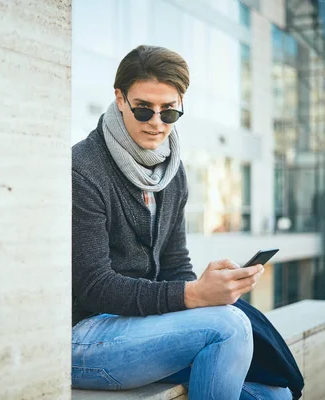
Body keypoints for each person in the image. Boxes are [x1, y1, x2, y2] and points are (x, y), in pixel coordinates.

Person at [71, 45, 293, 400]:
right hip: (85, 337)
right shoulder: (83, 168)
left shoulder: (172, 172)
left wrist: (210, 287)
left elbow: (175, 265)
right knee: (228, 326)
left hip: (146, 327)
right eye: (143, 109)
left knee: (274, 396)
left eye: (169, 112)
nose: (157, 123)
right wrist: (192, 295)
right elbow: (93, 286)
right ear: (119, 98)